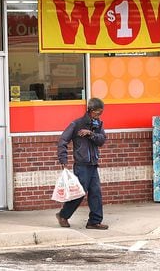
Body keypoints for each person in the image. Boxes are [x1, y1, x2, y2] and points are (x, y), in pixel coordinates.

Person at [55, 97, 108, 229]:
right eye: (97, 113)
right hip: (81, 165)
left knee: (96, 193)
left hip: (93, 164)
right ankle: (63, 215)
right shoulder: (76, 124)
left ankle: (94, 221)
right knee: (79, 193)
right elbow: (63, 141)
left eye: (101, 113)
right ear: (90, 110)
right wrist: (63, 159)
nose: (98, 116)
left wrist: (91, 134)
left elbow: (102, 140)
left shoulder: (98, 125)